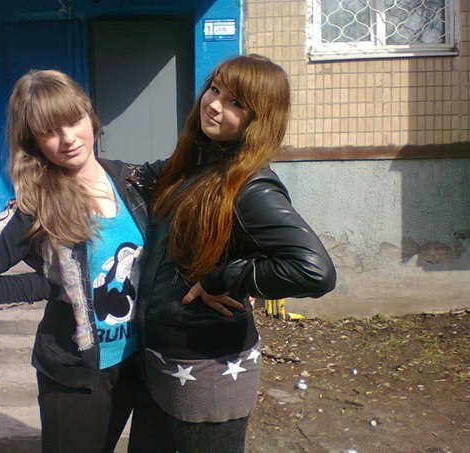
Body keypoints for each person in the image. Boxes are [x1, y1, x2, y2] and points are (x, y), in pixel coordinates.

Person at [0, 69, 152, 453]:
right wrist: (50, 285)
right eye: (50, 131)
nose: (68, 139)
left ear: (90, 116)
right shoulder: (35, 207)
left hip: (140, 362)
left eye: (73, 120)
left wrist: (229, 276)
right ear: (32, 141)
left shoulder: (130, 180)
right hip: (76, 378)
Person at [128, 54, 337, 452]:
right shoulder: (194, 163)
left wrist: (222, 277)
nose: (214, 104)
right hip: (160, 359)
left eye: (235, 102)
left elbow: (315, 270)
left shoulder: (250, 186)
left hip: (208, 369)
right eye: (214, 89)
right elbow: (135, 176)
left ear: (259, 119)